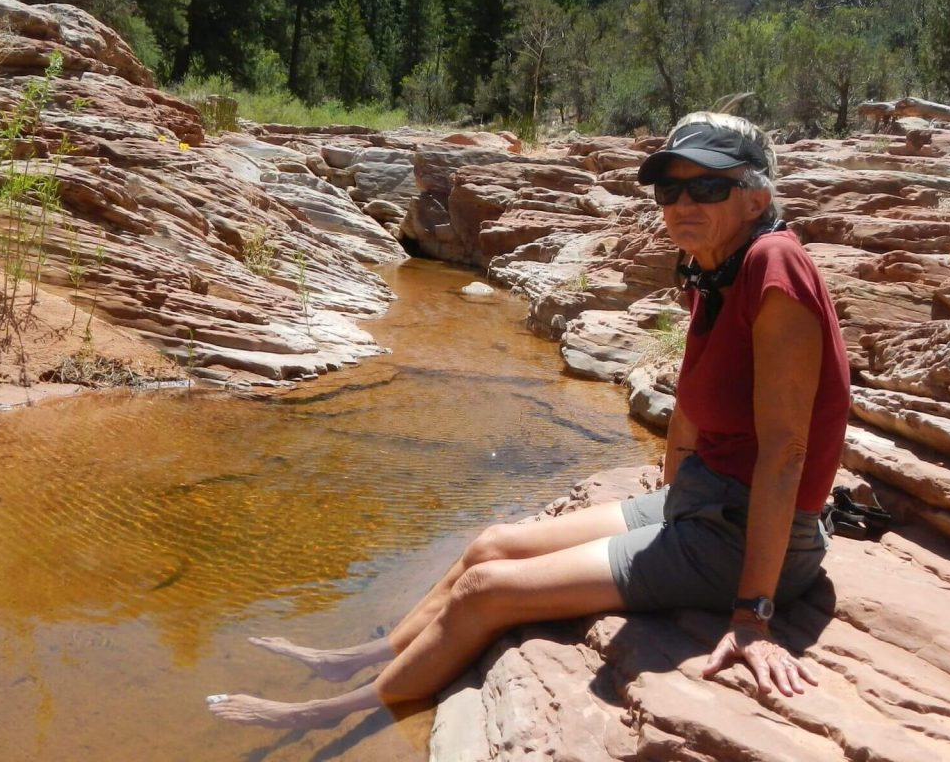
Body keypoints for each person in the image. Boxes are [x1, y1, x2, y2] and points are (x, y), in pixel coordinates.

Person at [207, 111, 852, 729]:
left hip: (742, 539)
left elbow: (788, 453)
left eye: (708, 184)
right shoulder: (713, 270)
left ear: (754, 194)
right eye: (669, 187)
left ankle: (336, 713)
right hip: (701, 503)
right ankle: (369, 658)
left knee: (487, 589)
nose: (683, 202)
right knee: (490, 544)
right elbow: (690, 400)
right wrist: (671, 485)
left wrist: (752, 614)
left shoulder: (774, 264)